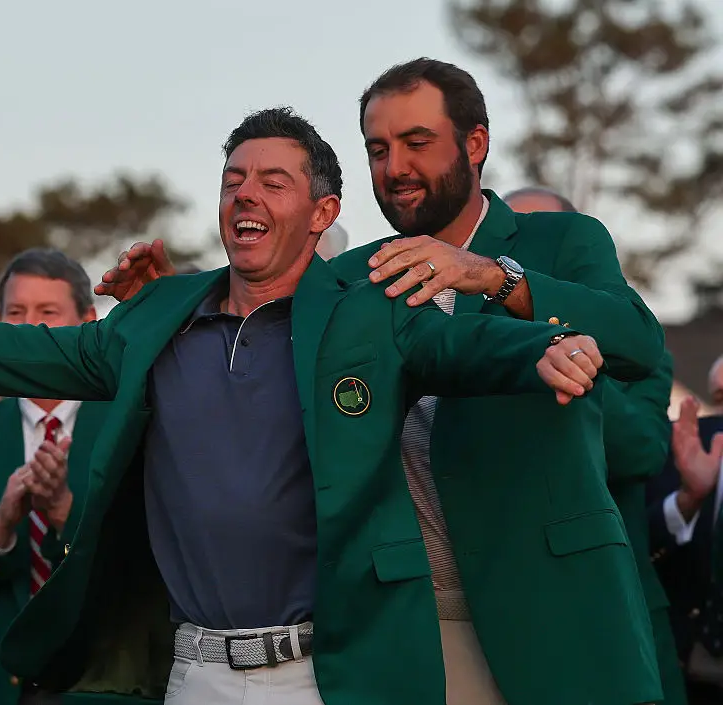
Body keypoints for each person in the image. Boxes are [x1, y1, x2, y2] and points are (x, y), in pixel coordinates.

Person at [0, 108, 631, 705]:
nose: (244, 193)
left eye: (272, 182)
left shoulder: (367, 316)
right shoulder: (160, 316)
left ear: (323, 212)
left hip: (328, 670)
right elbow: (12, 349)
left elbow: (464, 346)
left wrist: (540, 345)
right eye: (233, 179)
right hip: (192, 672)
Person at [95, 62, 666, 705]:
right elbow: (253, 337)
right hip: (400, 628)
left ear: (474, 144)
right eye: (377, 148)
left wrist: (488, 277)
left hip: (547, 611)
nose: (394, 166)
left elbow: (637, 344)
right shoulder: (353, 277)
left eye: (416, 143)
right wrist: (167, 314)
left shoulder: (559, 240)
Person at [0, 248, 152, 705]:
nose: (30, 327)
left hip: (102, 681)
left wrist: (65, 514)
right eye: (15, 312)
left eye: (48, 312)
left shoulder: (132, 427)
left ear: (88, 320)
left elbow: (148, 568)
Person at [505, 187, 685, 705]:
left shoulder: (638, 354)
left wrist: (568, 352)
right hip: (509, 608)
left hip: (610, 612)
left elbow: (639, 451)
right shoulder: (475, 347)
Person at [648, 355, 723, 705]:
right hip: (691, 673)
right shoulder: (681, 446)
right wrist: (688, 499)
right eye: (722, 399)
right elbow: (642, 545)